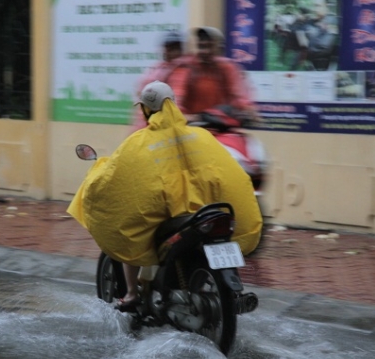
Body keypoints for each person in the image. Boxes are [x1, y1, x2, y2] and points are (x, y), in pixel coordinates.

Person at [67, 81, 263, 311]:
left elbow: (117, 177)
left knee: (127, 230)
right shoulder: (200, 135)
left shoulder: (139, 142)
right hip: (206, 210)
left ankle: (131, 295)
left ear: (146, 109)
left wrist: (96, 173)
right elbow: (226, 170)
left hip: (170, 216)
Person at [165, 27, 258, 123]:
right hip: (192, 127)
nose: (205, 51)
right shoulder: (187, 66)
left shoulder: (227, 68)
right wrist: (182, 115)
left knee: (250, 139)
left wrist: (248, 109)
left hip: (222, 126)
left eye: (209, 46)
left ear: (218, 48)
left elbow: (239, 94)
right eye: (201, 47)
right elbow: (178, 93)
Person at [131, 31, 184, 130]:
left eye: (174, 48)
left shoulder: (182, 71)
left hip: (162, 128)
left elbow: (177, 103)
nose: (169, 51)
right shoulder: (156, 69)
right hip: (144, 127)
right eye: (167, 48)